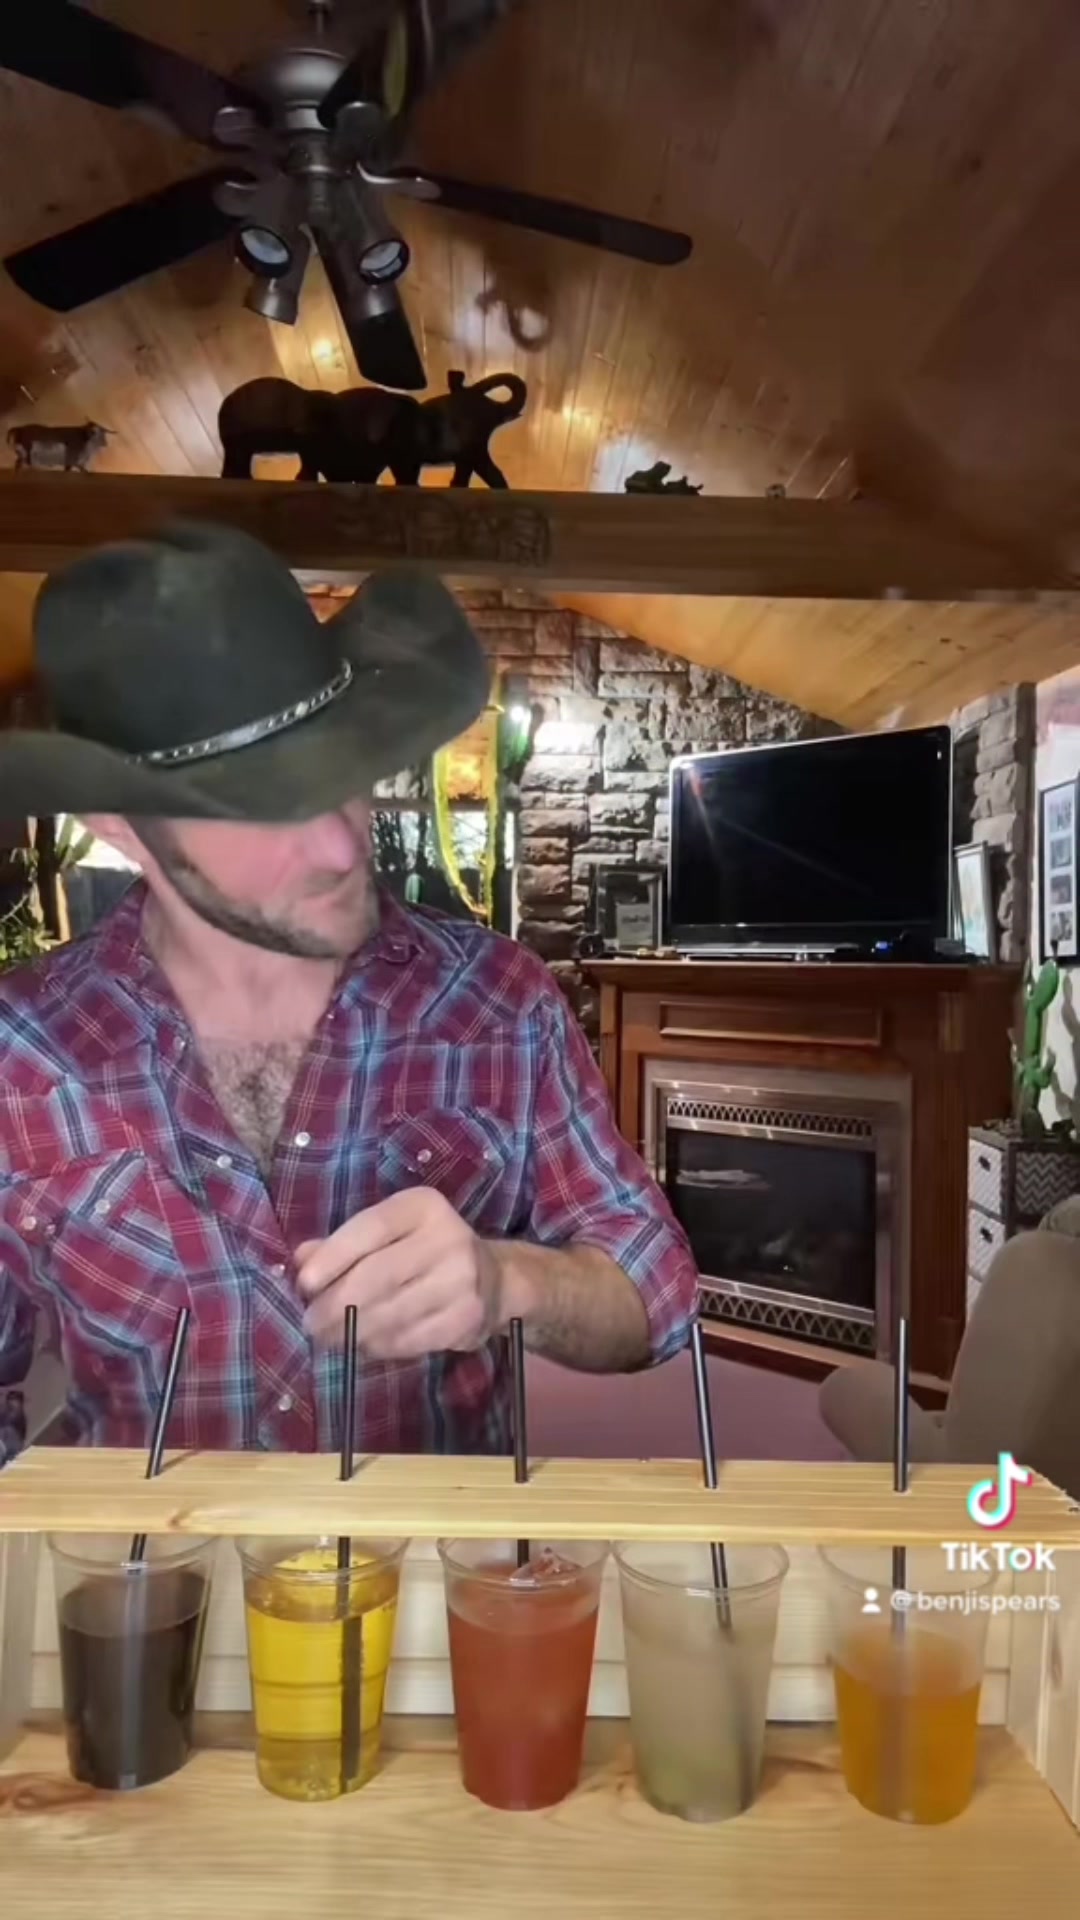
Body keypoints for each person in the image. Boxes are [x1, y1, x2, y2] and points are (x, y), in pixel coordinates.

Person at [0, 522, 698, 1459]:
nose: (340, 846)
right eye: (262, 808)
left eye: (347, 773)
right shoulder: (18, 1050)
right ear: (119, 827)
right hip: (146, 1558)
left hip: (437, 1552)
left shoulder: (498, 1003)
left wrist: (510, 1283)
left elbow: (656, 1293)